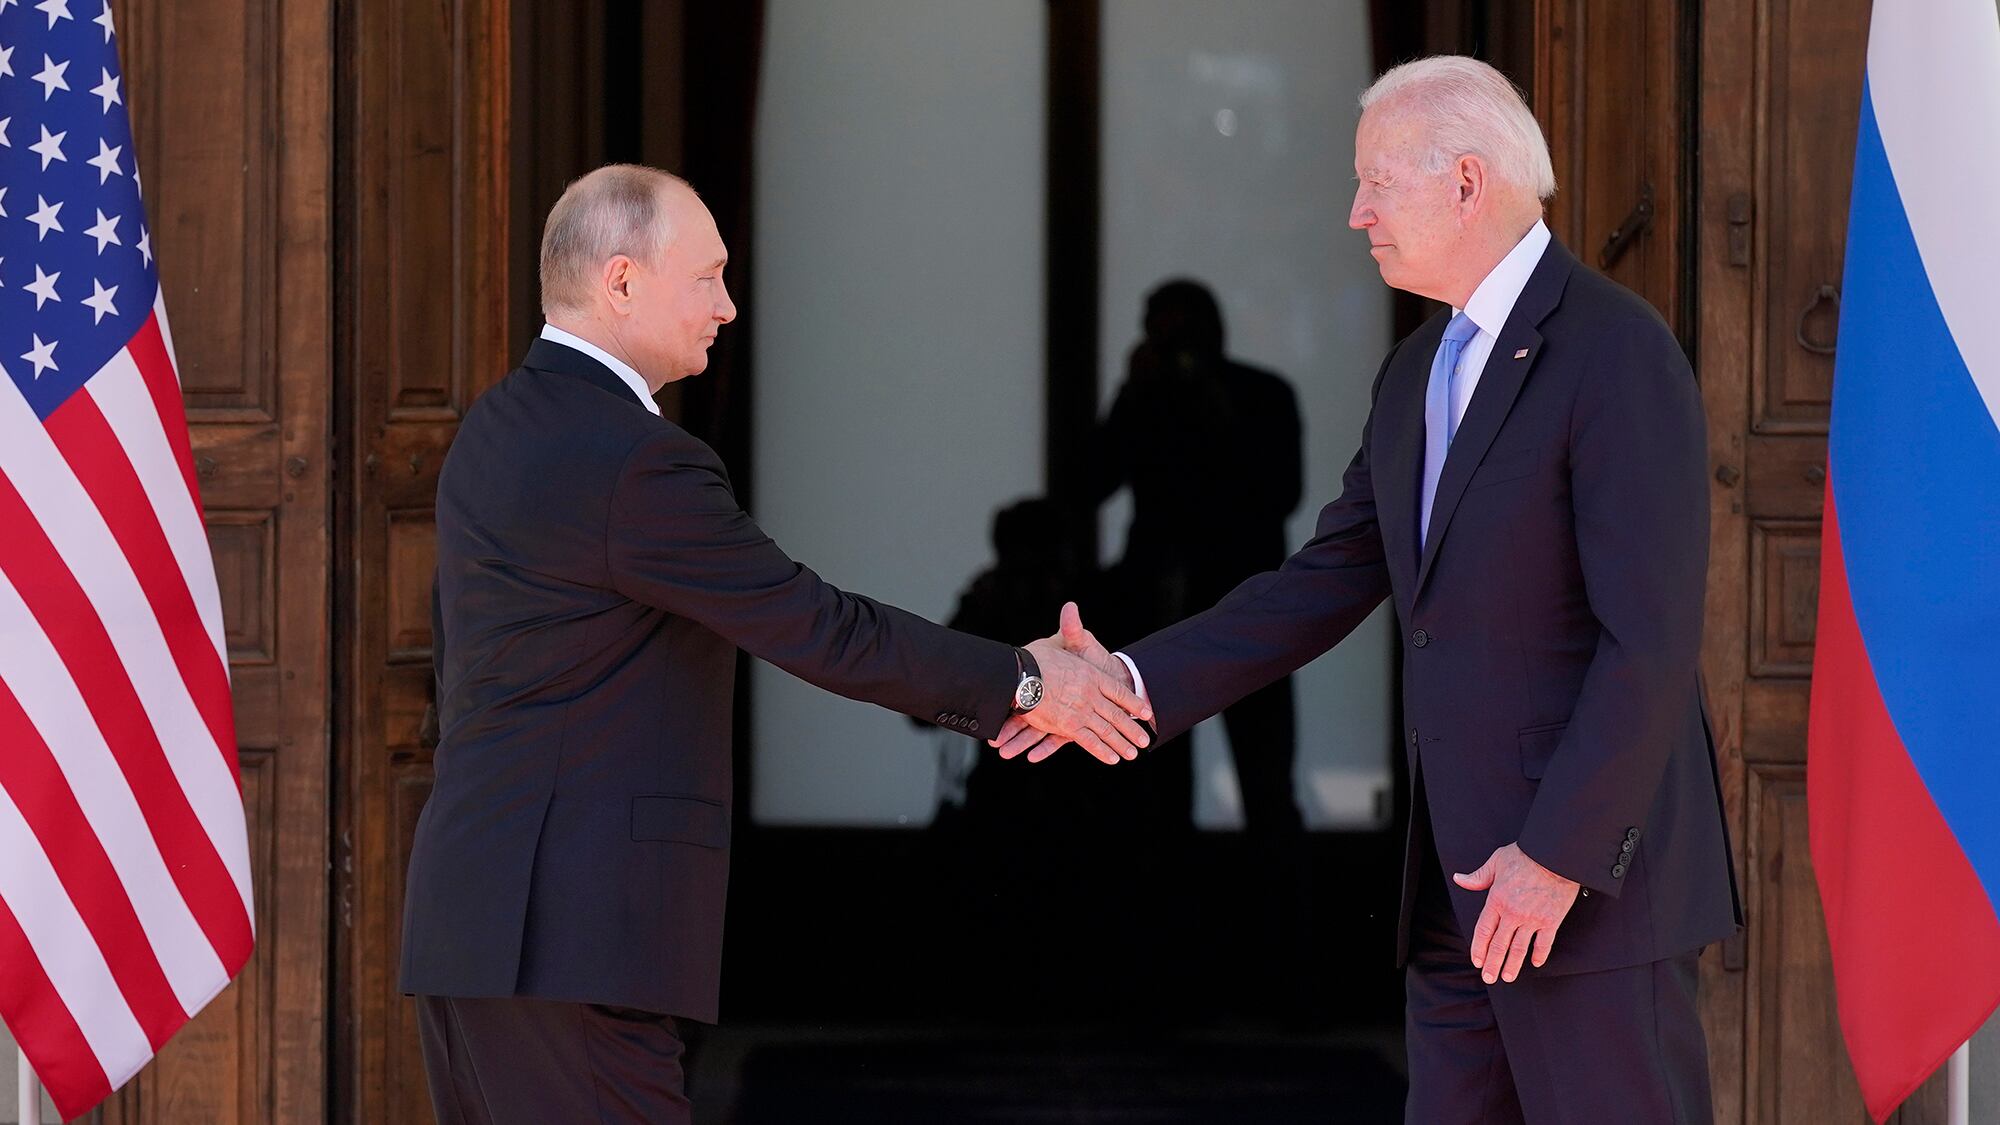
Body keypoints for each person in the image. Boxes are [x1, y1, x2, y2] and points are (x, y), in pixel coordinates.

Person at [996, 57, 1740, 1124]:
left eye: (1374, 184)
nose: (1354, 215)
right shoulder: (1414, 373)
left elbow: (1651, 640)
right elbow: (1322, 580)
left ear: (1467, 182)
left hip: (1576, 895)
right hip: (1450, 897)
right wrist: (1124, 679)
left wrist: (1558, 855)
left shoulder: (1614, 351)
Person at [399, 165, 1152, 1125]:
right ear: (622, 281)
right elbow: (817, 626)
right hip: (570, 937)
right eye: (707, 275)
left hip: (474, 921)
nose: (728, 303)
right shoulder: (636, 458)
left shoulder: (496, 424)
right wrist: (1026, 679)